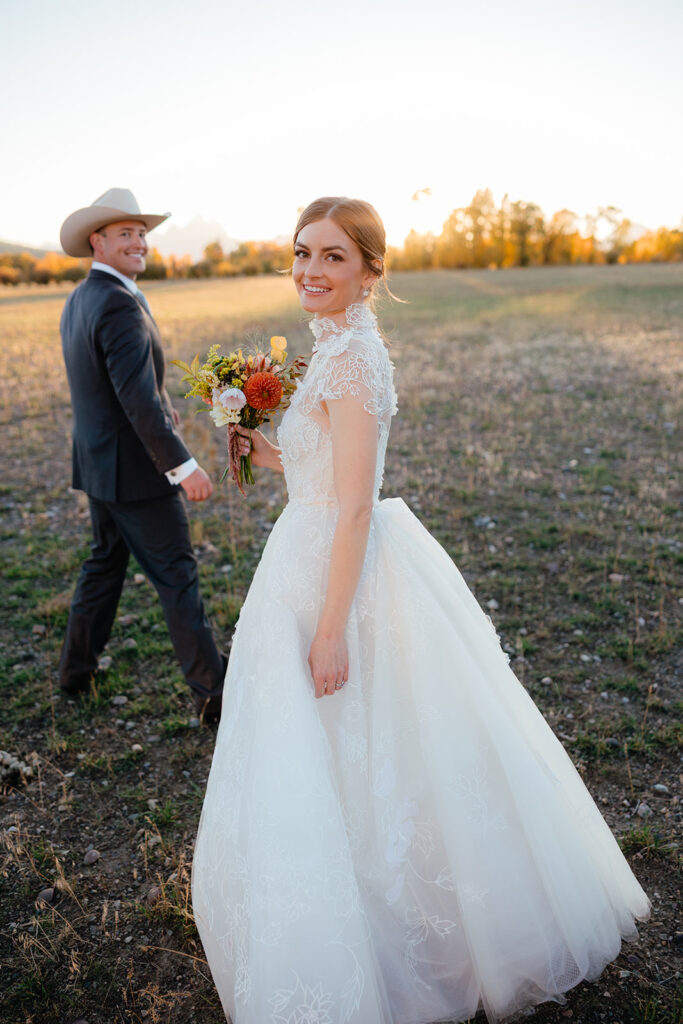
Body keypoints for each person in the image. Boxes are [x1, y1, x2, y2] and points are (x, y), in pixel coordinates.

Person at [191, 197, 650, 1022]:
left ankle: (418, 933)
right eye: (302, 253)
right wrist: (258, 438)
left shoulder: (355, 359)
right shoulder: (331, 352)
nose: (310, 271)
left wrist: (331, 630)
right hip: (305, 557)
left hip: (345, 570)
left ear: (370, 270)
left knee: (380, 734)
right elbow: (320, 461)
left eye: (333, 257)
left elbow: (357, 506)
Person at [58, 188, 225, 723]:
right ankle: (214, 694)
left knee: (104, 565)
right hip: (137, 474)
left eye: (142, 233)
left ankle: (74, 672)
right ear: (97, 241)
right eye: (125, 233)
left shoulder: (84, 296)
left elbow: (122, 384)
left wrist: (166, 407)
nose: (139, 242)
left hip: (100, 464)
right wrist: (184, 466)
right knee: (177, 574)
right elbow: (134, 396)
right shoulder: (116, 303)